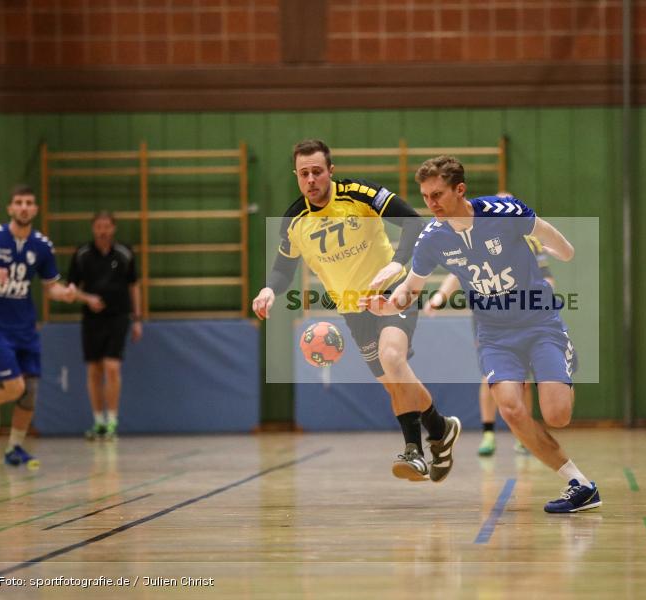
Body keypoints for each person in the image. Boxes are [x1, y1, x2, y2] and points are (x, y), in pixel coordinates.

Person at [363, 155, 600, 514]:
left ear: (460, 190)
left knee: (557, 416)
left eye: (438, 194)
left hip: (539, 324)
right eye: (425, 196)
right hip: (495, 335)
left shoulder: (504, 212)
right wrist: (387, 304)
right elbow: (411, 288)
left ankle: (560, 365)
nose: (431, 204)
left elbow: (552, 238)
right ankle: (580, 484)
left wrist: (563, 252)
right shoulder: (433, 238)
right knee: (511, 408)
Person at [252, 139, 460, 482]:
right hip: (353, 309)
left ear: (330, 171)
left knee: (393, 359)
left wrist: (395, 266)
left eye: (317, 171)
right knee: (395, 385)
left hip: (392, 293)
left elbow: (413, 223)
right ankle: (440, 428)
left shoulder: (359, 194)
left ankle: (414, 452)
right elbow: (282, 269)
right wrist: (268, 290)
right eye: (304, 174)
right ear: (297, 176)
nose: (311, 180)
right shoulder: (293, 220)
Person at [425, 229, 554, 457]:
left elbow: (547, 279)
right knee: (490, 374)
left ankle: (523, 436)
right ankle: (488, 433)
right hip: (489, 318)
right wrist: (439, 297)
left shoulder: (530, 243)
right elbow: (457, 273)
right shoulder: (476, 244)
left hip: (522, 316)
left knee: (522, 377)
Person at [0, 184, 77, 468]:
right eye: (19, 202)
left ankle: (14, 448)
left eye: (29, 203)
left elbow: (51, 287)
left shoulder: (42, 246)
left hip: (26, 328)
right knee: (14, 387)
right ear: (10, 208)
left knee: (30, 391)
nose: (24, 207)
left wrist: (66, 293)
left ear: (35, 209)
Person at [67, 211, 142, 441]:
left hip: (118, 316)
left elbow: (134, 286)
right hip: (92, 319)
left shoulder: (125, 253)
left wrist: (137, 319)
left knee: (112, 367)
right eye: (99, 226)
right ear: (93, 228)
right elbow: (70, 289)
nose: (103, 230)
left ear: (113, 228)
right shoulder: (82, 254)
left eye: (107, 226)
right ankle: (98, 421)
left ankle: (112, 421)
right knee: (94, 370)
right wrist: (87, 299)